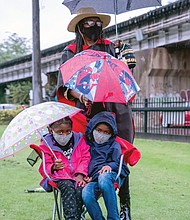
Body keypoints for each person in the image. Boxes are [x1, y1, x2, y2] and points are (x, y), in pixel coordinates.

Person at [56, 7, 136, 219]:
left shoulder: (110, 47)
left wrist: (124, 56)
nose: (94, 27)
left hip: (112, 111)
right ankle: (82, 204)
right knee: (85, 158)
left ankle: (125, 206)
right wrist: (81, 95)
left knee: (119, 158)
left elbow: (121, 77)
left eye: (97, 23)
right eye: (89, 23)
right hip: (84, 115)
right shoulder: (70, 51)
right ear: (81, 28)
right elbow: (64, 86)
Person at [38, 116, 91, 220]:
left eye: (68, 131)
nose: (65, 135)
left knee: (80, 189)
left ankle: (77, 216)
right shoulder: (46, 145)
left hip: (78, 175)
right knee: (68, 187)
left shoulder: (79, 139)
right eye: (60, 132)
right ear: (50, 130)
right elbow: (44, 167)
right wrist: (53, 166)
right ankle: (72, 218)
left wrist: (80, 174)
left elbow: (86, 157)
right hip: (59, 177)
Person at [82, 111, 130, 220]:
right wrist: (86, 176)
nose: (101, 134)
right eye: (99, 130)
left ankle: (113, 218)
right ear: (92, 128)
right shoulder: (86, 145)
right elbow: (83, 163)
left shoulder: (114, 145)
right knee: (86, 193)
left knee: (103, 178)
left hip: (110, 176)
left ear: (111, 133)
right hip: (93, 180)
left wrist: (110, 166)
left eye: (106, 132)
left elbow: (118, 162)